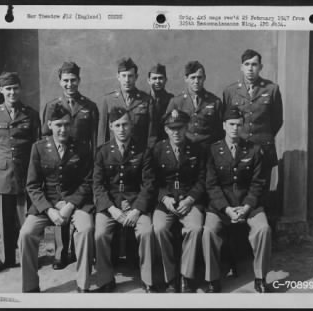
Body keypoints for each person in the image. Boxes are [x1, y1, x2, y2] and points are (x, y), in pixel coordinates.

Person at [18, 105, 94, 293]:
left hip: (76, 202)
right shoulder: (39, 148)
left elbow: (88, 181)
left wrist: (70, 205)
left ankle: (83, 285)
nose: (63, 129)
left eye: (67, 124)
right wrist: (49, 210)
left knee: (86, 229)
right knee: (26, 234)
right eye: (59, 125)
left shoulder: (83, 148)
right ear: (50, 124)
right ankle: (30, 287)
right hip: (47, 203)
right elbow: (33, 185)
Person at [202, 109, 271, 293]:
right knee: (208, 231)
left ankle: (260, 277)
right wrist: (226, 209)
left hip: (249, 204)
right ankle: (213, 279)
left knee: (263, 229)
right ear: (224, 126)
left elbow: (258, 183)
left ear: (243, 126)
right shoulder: (213, 150)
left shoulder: (254, 149)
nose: (235, 128)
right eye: (231, 124)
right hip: (221, 206)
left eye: (239, 124)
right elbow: (211, 185)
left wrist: (247, 207)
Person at [40, 61, 99, 270]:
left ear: (79, 81)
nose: (69, 84)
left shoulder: (89, 106)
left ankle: (80, 250)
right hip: (59, 165)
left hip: (81, 166)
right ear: (60, 82)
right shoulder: (52, 106)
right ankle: (60, 252)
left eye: (73, 80)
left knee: (80, 208)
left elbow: (95, 139)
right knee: (59, 203)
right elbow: (46, 139)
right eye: (65, 80)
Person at [93, 107, 156, 293]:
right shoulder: (102, 152)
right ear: (111, 127)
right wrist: (112, 209)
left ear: (131, 126)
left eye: (125, 124)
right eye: (118, 125)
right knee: (100, 234)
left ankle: (148, 281)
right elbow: (98, 186)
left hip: (136, 204)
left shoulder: (143, 151)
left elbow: (149, 184)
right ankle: (105, 280)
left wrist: (137, 209)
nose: (122, 129)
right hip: (110, 206)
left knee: (146, 231)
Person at [152, 109, 205, 293]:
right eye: (171, 128)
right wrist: (164, 198)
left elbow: (202, 179)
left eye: (180, 128)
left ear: (187, 127)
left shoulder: (196, 149)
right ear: (166, 129)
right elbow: (152, 180)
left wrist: (190, 200)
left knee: (195, 228)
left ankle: (186, 277)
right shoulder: (158, 149)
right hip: (165, 202)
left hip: (189, 201)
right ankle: (170, 278)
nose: (176, 132)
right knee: (159, 228)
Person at [0, 72, 40, 272]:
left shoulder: (30, 114)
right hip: (2, 172)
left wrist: (38, 176)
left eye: (15, 88)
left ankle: (29, 258)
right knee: (4, 219)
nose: (12, 92)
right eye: (8, 88)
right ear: (1, 90)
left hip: (25, 172)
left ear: (20, 89)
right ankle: (7, 259)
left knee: (25, 219)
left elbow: (37, 147)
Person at [222, 49, 283, 192]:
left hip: (263, 147)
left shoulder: (272, 89)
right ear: (241, 67)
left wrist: (262, 136)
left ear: (260, 67)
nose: (250, 68)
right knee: (239, 188)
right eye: (247, 64)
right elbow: (226, 119)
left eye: (254, 64)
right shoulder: (230, 91)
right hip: (240, 147)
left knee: (261, 189)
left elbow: (277, 120)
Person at [97, 57, 157, 148]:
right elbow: (102, 133)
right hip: (115, 154)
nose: (127, 80)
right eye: (124, 76)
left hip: (139, 153)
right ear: (118, 77)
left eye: (130, 76)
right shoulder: (108, 100)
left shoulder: (147, 100)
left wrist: (149, 154)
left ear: (136, 77)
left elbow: (152, 133)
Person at [166, 61, 223, 148]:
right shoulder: (176, 102)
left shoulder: (215, 101)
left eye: (199, 77)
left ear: (204, 78)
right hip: (185, 149)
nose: (196, 81)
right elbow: (168, 128)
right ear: (186, 79)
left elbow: (219, 130)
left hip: (208, 149)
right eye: (193, 78)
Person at [147, 63, 174, 141]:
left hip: (165, 143)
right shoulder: (143, 101)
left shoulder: (172, 100)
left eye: (160, 78)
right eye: (154, 78)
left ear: (166, 80)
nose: (157, 81)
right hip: (146, 145)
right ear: (149, 80)